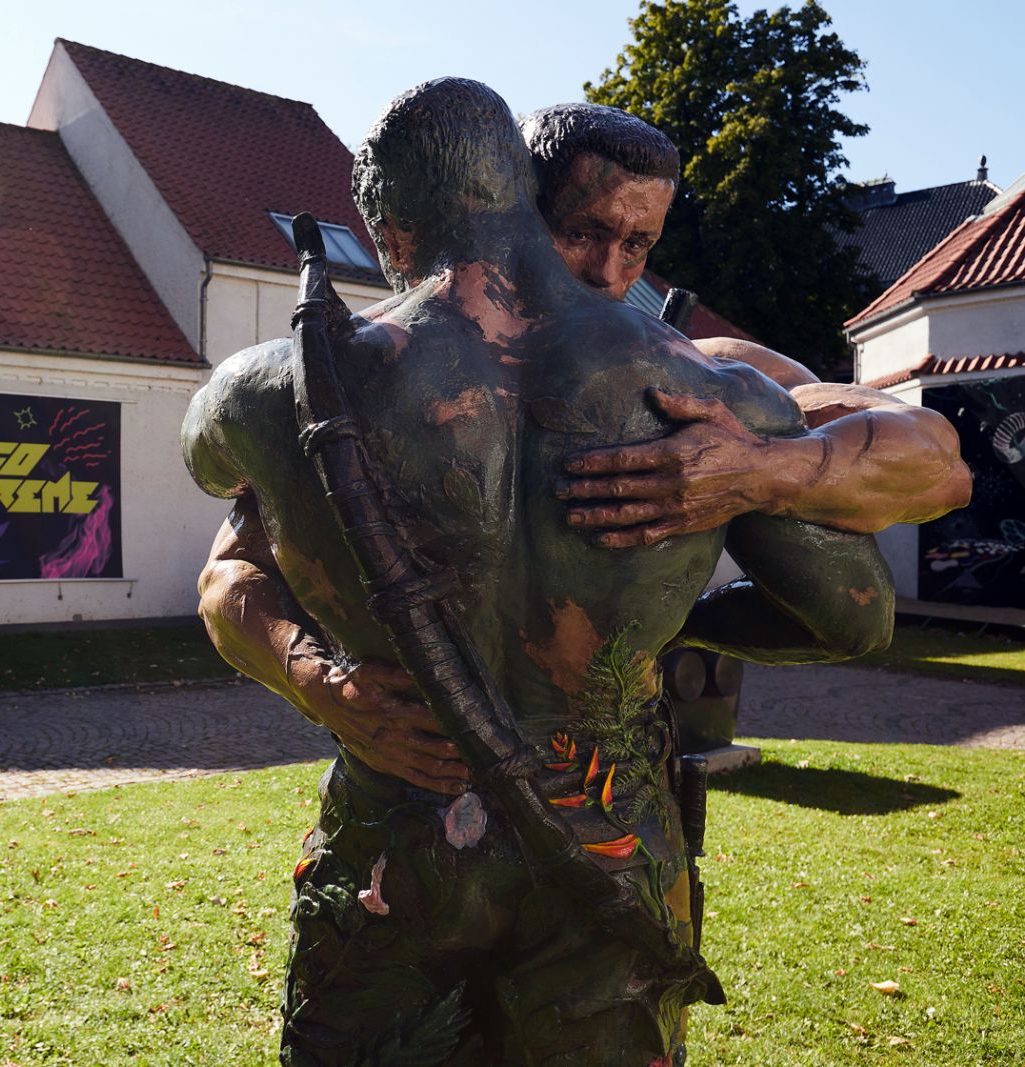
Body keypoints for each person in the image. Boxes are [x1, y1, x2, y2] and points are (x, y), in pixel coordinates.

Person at [183, 78, 896, 1065]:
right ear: (520, 196)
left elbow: (221, 524)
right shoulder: (710, 398)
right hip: (603, 842)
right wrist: (667, 619)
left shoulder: (271, 392)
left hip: (394, 835)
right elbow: (852, 618)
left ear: (387, 231)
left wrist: (325, 679)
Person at [197, 101, 970, 797]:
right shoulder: (354, 376)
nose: (610, 272)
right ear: (516, 214)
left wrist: (758, 473)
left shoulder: (703, 373)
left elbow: (941, 463)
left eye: (639, 245)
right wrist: (319, 682)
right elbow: (228, 572)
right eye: (584, 233)